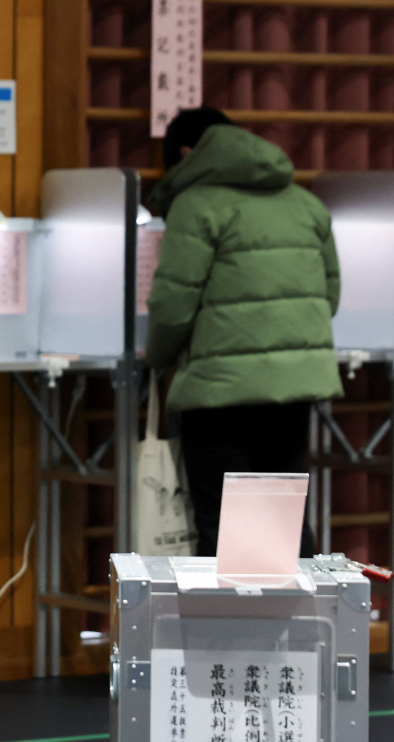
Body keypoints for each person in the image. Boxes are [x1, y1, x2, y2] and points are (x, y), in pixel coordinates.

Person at [146, 107, 343, 557]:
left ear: (186, 153)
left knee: (224, 534)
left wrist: (157, 358)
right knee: (284, 527)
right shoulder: (305, 203)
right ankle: (307, 627)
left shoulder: (196, 205)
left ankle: (227, 629)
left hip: (218, 396)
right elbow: (328, 296)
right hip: (293, 391)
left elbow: (173, 305)